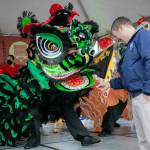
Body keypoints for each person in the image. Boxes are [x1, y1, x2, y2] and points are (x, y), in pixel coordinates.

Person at [100, 16, 150, 150]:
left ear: (121, 28)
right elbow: (127, 76)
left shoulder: (143, 36)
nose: (118, 40)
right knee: (143, 137)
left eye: (117, 36)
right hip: (136, 95)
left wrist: (148, 90)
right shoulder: (130, 46)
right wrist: (110, 84)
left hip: (144, 94)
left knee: (149, 135)